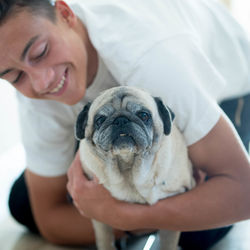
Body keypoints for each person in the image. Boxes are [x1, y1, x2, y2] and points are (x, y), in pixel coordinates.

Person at [1, 0, 249, 249]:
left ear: (66, 14)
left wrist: (123, 216)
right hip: (141, 111)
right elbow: (49, 216)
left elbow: (243, 194)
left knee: (197, 230)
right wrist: (119, 216)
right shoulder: (36, 92)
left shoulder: (154, 61)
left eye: (41, 52)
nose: (41, 82)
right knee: (23, 203)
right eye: (15, 76)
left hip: (228, 88)